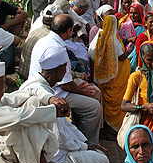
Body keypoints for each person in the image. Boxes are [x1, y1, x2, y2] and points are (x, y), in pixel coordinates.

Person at [19, 46, 110, 163]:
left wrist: (86, 142)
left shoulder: (45, 88)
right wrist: (85, 146)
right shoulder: (42, 93)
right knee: (100, 161)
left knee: (95, 153)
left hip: (59, 149)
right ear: (59, 70)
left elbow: (66, 126)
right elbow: (58, 138)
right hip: (52, 156)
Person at [31, 14, 102, 144]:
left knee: (92, 90)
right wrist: (83, 92)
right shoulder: (58, 49)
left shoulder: (45, 40)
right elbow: (65, 84)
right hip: (54, 92)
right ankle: (88, 143)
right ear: (69, 31)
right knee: (94, 106)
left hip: (48, 86)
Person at [88, 14, 132, 134]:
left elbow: (91, 54)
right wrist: (128, 50)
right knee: (116, 103)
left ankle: (107, 126)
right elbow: (122, 57)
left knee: (106, 102)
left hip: (104, 78)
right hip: (116, 79)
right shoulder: (112, 39)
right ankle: (113, 127)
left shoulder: (100, 36)